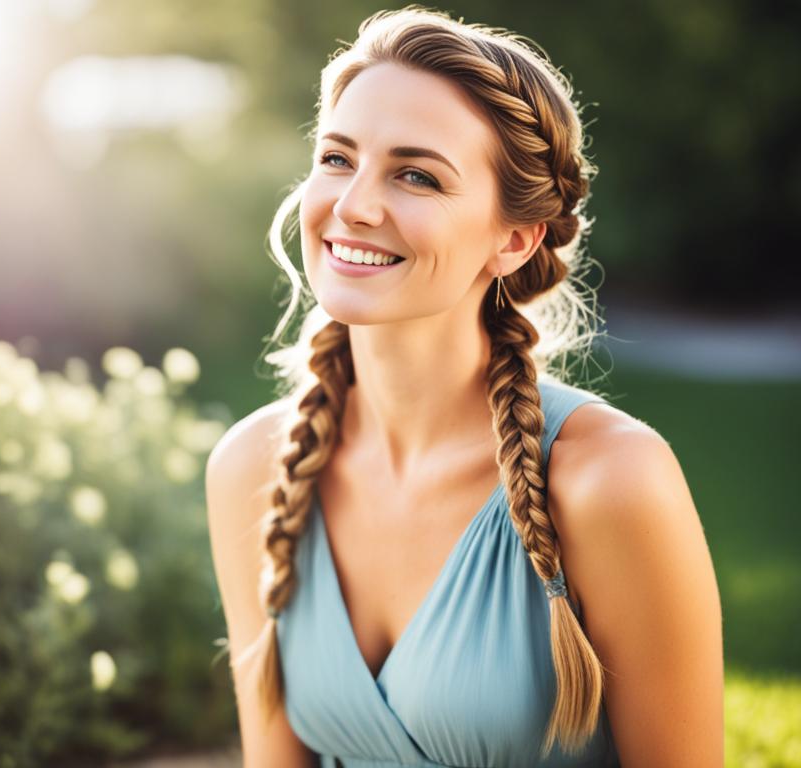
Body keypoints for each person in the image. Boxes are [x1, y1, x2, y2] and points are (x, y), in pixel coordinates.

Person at [206, 6, 723, 767]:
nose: (354, 207)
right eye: (338, 159)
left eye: (415, 174)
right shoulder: (254, 466)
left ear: (514, 239)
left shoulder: (610, 482)